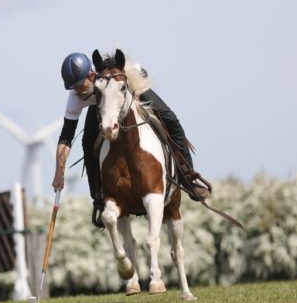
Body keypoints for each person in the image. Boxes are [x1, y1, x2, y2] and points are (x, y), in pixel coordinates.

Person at [53, 50, 210, 228]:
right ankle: (98, 198)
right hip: (100, 105)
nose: (77, 92)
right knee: (87, 142)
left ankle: (189, 176)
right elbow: (66, 137)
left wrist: (130, 92)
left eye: (80, 86)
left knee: (171, 120)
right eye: (73, 88)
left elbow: (142, 73)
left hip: (129, 90)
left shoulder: (117, 74)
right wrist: (59, 173)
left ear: (91, 75)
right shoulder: (75, 98)